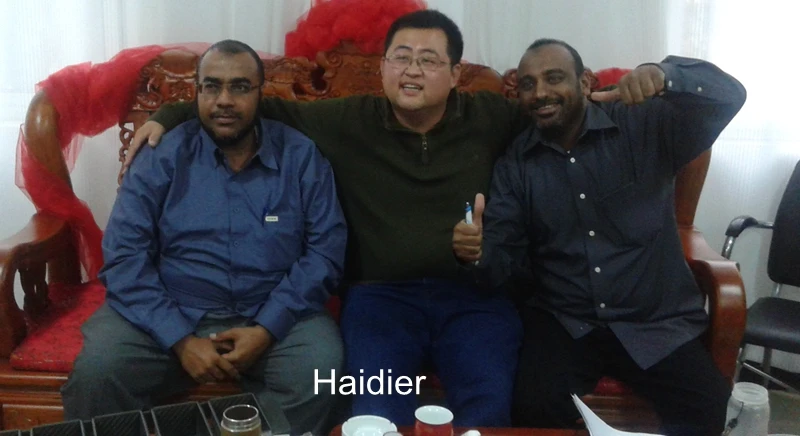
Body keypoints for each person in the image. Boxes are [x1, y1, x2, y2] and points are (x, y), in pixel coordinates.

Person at [126, 10, 525, 427]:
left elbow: (550, 113)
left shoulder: (490, 116)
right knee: (376, 414)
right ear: (383, 66)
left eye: (428, 60)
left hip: (472, 296)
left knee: (487, 412)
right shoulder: (348, 120)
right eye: (401, 57)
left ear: (456, 73)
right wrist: (167, 115)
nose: (412, 70)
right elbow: (249, 105)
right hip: (381, 300)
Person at [452, 39, 746, 435]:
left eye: (554, 78)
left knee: (711, 407)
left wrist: (665, 75)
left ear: (585, 82)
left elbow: (730, 96)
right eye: (528, 84)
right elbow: (501, 255)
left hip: (652, 320)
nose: (540, 93)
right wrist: (476, 254)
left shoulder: (643, 123)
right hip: (565, 320)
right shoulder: (517, 162)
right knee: (532, 408)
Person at [61, 39, 347, 436]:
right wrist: (179, 339)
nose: (224, 100)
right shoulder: (162, 155)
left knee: (322, 374)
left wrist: (266, 329)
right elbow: (124, 255)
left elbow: (325, 253)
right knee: (98, 373)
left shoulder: (301, 157)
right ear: (196, 92)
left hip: (274, 310)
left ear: (260, 93)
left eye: (240, 87)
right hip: (169, 307)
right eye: (212, 86)